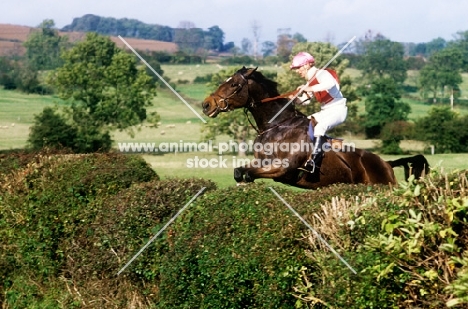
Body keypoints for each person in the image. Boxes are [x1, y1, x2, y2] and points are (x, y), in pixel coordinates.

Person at [289, 51, 348, 175]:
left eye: (298, 68)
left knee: (320, 127)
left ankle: (313, 161)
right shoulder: (309, 81)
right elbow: (306, 101)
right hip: (325, 111)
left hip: (338, 110)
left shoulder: (322, 73)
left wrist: (308, 88)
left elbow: (330, 84)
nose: (297, 71)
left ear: (306, 65)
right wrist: (295, 100)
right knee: (303, 123)